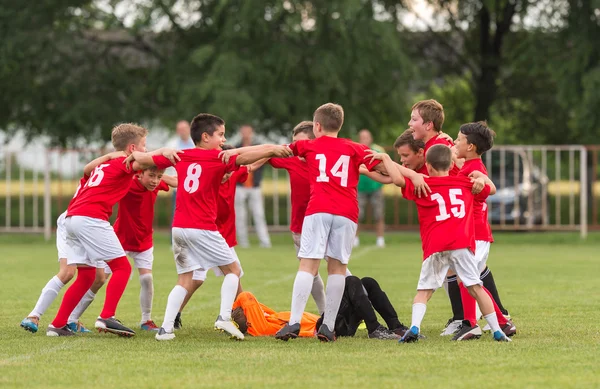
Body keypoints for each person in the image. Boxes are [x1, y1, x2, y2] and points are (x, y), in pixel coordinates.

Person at [125, 113, 292, 341]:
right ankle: (223, 317)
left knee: (185, 279)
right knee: (233, 271)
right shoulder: (216, 158)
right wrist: (272, 148)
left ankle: (165, 329)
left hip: (179, 228)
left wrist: (155, 153)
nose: (223, 140)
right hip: (202, 226)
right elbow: (245, 157)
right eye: (220, 135)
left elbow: (140, 162)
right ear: (205, 137)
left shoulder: (180, 156)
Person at [274, 103, 427, 343]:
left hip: (319, 209)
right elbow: (390, 171)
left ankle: (294, 321)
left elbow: (273, 151)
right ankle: (328, 326)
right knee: (338, 269)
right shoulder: (355, 148)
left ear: (317, 125)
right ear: (340, 124)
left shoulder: (309, 145)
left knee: (308, 266)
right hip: (346, 213)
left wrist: (237, 154)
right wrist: (413, 174)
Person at [46, 124, 180, 337]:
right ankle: (106, 316)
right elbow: (153, 161)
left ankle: (57, 325)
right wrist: (166, 152)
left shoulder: (108, 162)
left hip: (72, 218)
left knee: (88, 275)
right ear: (133, 147)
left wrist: (108, 156)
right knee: (122, 268)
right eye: (144, 146)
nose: (146, 150)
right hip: (90, 218)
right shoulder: (124, 162)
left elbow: (88, 169)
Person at [369, 144, 511, 342]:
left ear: (427, 165)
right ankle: (497, 331)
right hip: (462, 244)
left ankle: (415, 327)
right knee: (476, 288)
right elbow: (492, 190)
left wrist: (385, 158)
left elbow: (399, 179)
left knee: (424, 291)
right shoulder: (465, 183)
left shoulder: (423, 185)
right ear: (451, 163)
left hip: (436, 246)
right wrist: (481, 177)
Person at [20, 151, 124, 334]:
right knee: (68, 272)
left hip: (85, 222)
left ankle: (70, 320)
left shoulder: (104, 169)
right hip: (76, 221)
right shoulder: (109, 171)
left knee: (97, 277)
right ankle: (34, 315)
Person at [173, 145, 264, 330]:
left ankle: (238, 313)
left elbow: (251, 165)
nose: (227, 173)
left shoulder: (235, 173)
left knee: (233, 273)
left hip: (222, 235)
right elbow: (178, 180)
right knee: (206, 277)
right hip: (207, 233)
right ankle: (232, 315)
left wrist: (270, 152)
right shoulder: (209, 175)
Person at [452, 121, 515, 340]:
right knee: (469, 279)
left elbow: (488, 189)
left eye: (459, 139)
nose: (455, 142)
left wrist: (486, 184)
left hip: (475, 234)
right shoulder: (469, 166)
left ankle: (471, 324)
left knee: (468, 280)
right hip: (475, 234)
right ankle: (502, 323)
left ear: (470, 146)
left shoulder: (474, 170)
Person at [234, 125, 271, 248]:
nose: (245, 134)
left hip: (254, 186)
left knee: (259, 215)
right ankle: (243, 242)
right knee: (240, 216)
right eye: (243, 131)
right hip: (240, 186)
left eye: (248, 132)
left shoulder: (258, 147)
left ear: (252, 132)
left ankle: (265, 242)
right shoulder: (236, 147)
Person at [355, 129, 386, 248]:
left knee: (378, 214)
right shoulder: (356, 150)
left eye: (366, 137)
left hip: (375, 187)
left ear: (371, 138)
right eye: (362, 137)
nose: (365, 139)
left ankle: (380, 239)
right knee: (357, 215)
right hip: (360, 188)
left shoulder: (378, 150)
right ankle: (355, 239)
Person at [170, 120, 195, 222]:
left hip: (194, 184)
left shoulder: (195, 143)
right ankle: (174, 238)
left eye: (184, 129)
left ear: (189, 129)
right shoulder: (172, 144)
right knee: (177, 213)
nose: (182, 131)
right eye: (180, 130)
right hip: (178, 184)